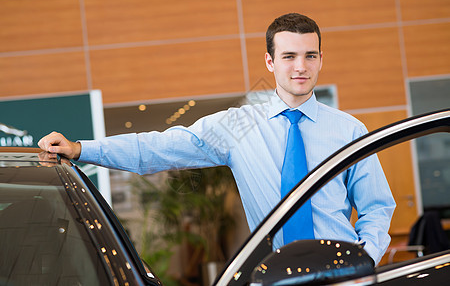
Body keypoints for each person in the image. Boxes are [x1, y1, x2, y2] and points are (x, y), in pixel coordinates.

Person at [39, 13, 395, 265]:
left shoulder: (348, 130)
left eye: (309, 56)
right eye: (289, 56)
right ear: (270, 62)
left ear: (321, 60)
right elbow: (158, 148)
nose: (300, 67)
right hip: (275, 274)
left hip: (345, 273)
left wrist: (364, 257)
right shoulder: (238, 128)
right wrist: (82, 149)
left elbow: (377, 206)